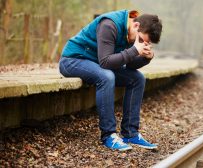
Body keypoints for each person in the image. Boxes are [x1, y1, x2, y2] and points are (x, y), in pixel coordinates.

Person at [59, 9, 162, 151]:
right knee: (106, 76)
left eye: (146, 43)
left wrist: (146, 58)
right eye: (141, 40)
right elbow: (106, 62)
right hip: (73, 60)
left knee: (137, 78)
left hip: (95, 64)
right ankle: (108, 135)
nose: (141, 43)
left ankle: (130, 134)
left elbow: (129, 64)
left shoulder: (130, 32)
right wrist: (134, 50)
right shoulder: (109, 25)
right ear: (136, 25)